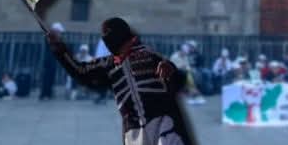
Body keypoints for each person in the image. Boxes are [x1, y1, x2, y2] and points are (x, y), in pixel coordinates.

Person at [46, 17, 197, 145]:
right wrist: (59, 48)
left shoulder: (149, 56)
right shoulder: (108, 65)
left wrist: (171, 70)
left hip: (163, 123)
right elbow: (80, 71)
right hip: (134, 131)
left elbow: (179, 79)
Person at [39, 22, 64, 100]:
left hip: (53, 60)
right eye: (58, 31)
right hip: (49, 61)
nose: (60, 33)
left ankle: (48, 93)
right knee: (47, 78)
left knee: (51, 78)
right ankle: (44, 94)